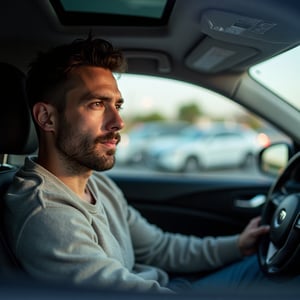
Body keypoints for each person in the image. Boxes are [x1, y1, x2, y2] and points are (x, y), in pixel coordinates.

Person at [4, 36, 271, 293]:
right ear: (47, 118)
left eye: (117, 105)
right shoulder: (46, 215)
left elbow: (158, 248)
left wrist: (237, 245)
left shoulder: (97, 183)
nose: (118, 122)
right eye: (97, 104)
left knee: (263, 266)